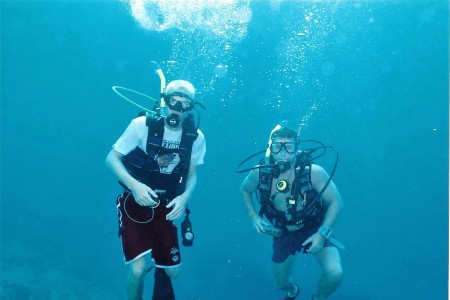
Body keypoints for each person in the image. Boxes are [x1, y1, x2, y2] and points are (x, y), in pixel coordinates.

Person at [105, 80, 206, 300]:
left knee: (173, 271)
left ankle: (160, 267)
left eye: (184, 104)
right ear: (164, 101)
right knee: (138, 270)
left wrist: (184, 197)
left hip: (167, 206)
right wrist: (135, 185)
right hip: (134, 201)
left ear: (191, 107)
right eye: (173, 101)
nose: (177, 109)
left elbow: (192, 175)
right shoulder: (141, 125)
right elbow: (111, 158)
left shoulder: (195, 137)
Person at [239, 121, 343, 300]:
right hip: (283, 232)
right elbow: (244, 190)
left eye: (289, 147)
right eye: (278, 147)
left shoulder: (314, 173)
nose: (283, 153)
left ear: (297, 149)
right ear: (270, 148)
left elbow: (337, 202)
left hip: (314, 227)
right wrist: (253, 216)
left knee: (335, 274)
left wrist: (322, 234)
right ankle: (293, 291)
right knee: (280, 283)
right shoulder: (260, 173)